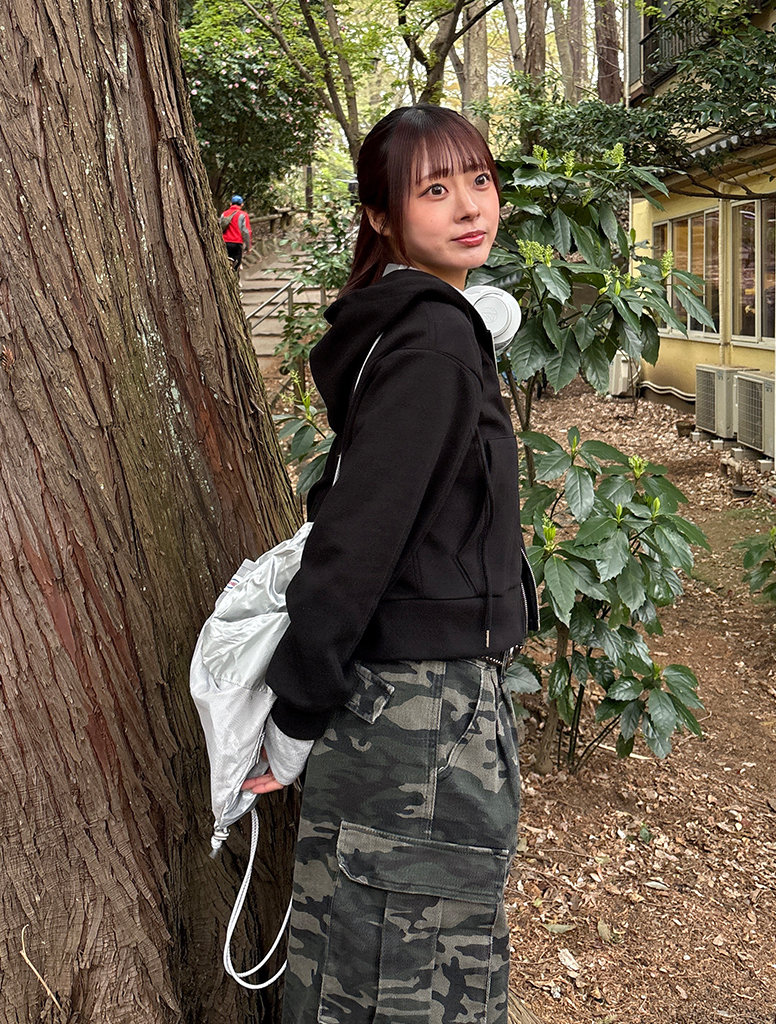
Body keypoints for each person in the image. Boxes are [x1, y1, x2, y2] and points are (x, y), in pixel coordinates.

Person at [242, 104, 538, 1024]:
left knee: (364, 965)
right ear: (380, 215)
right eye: (434, 190)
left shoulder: (417, 329)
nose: (470, 206)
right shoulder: (433, 344)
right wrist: (296, 712)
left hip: (409, 711)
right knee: (403, 986)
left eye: (479, 180)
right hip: (421, 719)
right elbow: (358, 539)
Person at [220, 194, 252, 272]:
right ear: (242, 204)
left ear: (230, 203)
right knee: (235, 265)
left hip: (224, 242)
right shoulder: (243, 215)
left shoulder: (224, 214)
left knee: (224, 264)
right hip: (237, 243)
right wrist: (248, 247)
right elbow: (246, 231)